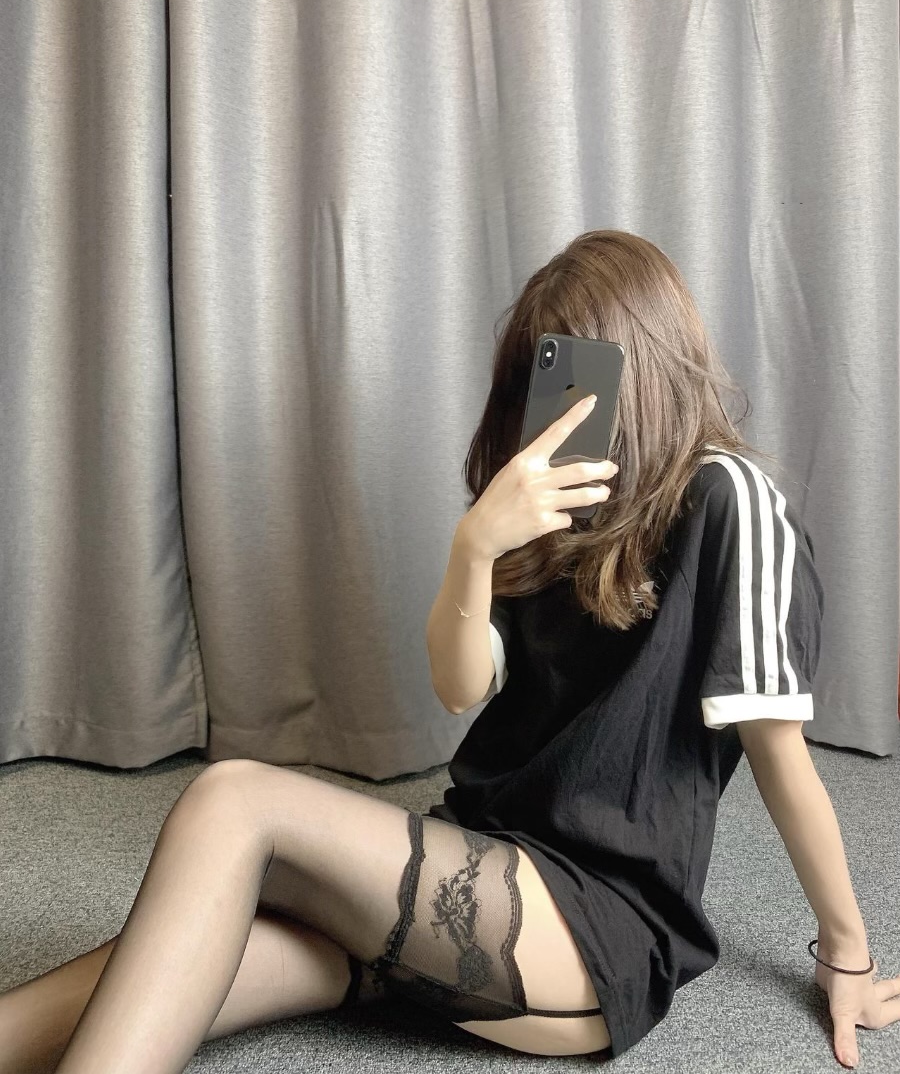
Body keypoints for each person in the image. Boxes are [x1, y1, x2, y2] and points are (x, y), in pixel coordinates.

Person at [0, 230, 897, 1074]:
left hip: (595, 921)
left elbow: (780, 756)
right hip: (473, 868)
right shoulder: (539, 507)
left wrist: (846, 953)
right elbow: (459, 684)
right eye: (541, 374)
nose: (558, 406)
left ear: (648, 365)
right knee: (202, 930)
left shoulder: (729, 498)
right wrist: (475, 547)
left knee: (232, 803)